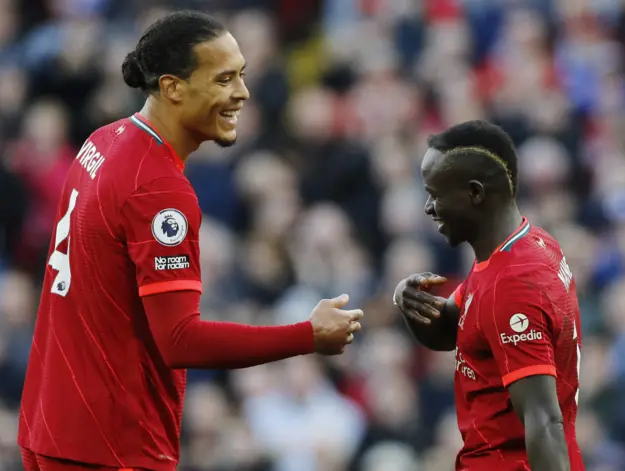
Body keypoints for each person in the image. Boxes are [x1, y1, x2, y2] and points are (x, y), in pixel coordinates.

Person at [18, 11, 364, 471]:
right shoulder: (159, 188)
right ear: (173, 87)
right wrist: (307, 335)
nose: (241, 93)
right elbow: (179, 340)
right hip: (111, 444)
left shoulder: (104, 140)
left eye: (241, 76)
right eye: (223, 80)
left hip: (51, 424)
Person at [393, 120, 584, 471]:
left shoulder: (511, 283)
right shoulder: (528, 244)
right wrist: (408, 302)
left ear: (475, 194)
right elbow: (453, 331)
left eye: (435, 194)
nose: (428, 208)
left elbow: (544, 422)